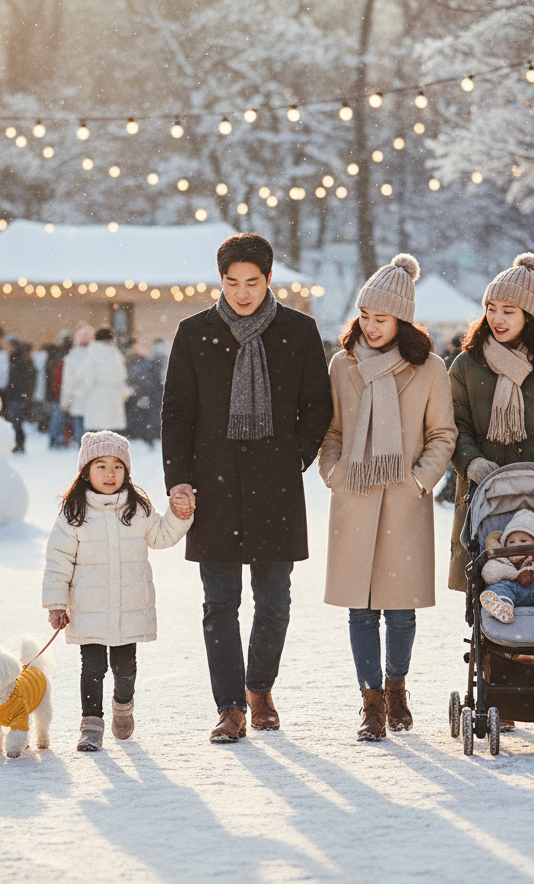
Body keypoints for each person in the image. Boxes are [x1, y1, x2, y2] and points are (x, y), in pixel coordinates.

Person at [162, 232, 333, 743]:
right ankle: (231, 706)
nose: (242, 292)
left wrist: (295, 455)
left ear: (269, 279)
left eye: (252, 282)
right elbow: (177, 412)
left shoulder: (298, 331)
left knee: (274, 600)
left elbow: (319, 404)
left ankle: (260, 688)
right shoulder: (195, 332)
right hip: (212, 484)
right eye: (232, 282)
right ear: (220, 281)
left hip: (275, 485)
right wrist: (180, 480)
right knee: (219, 601)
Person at [318, 254, 457, 742]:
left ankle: (397, 687)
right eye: (365, 317)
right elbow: (331, 430)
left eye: (381, 319)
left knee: (400, 609)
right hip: (354, 496)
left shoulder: (430, 368)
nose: (371, 327)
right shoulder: (343, 364)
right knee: (361, 608)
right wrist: (333, 471)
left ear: (402, 320)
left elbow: (443, 434)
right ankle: (371, 700)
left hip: (403, 500)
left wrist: (420, 480)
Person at [42, 431, 193, 752]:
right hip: (88, 607)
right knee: (92, 668)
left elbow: (162, 536)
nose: (109, 474)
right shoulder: (74, 514)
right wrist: (56, 603)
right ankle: (91, 725)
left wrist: (180, 517)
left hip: (129, 607)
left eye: (117, 467)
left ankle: (123, 707)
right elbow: (58, 560)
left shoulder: (136, 509)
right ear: (86, 471)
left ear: (126, 472)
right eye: (100, 466)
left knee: (125, 669)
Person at [448, 253, 534, 597]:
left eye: (508, 311)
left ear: (528, 315)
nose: (497, 318)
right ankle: (496, 645)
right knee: (489, 576)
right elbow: (454, 425)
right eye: (491, 308)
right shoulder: (467, 365)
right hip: (485, 495)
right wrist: (472, 462)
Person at [70, 328, 129, 434]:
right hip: (114, 396)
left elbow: (86, 376)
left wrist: (80, 394)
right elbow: (122, 375)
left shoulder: (92, 353)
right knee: (112, 434)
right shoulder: (115, 354)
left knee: (96, 433)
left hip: (96, 395)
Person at [60, 322, 95, 444]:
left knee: (82, 437)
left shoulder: (73, 356)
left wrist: (65, 401)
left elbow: (68, 381)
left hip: (78, 401)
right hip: (94, 402)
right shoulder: (97, 355)